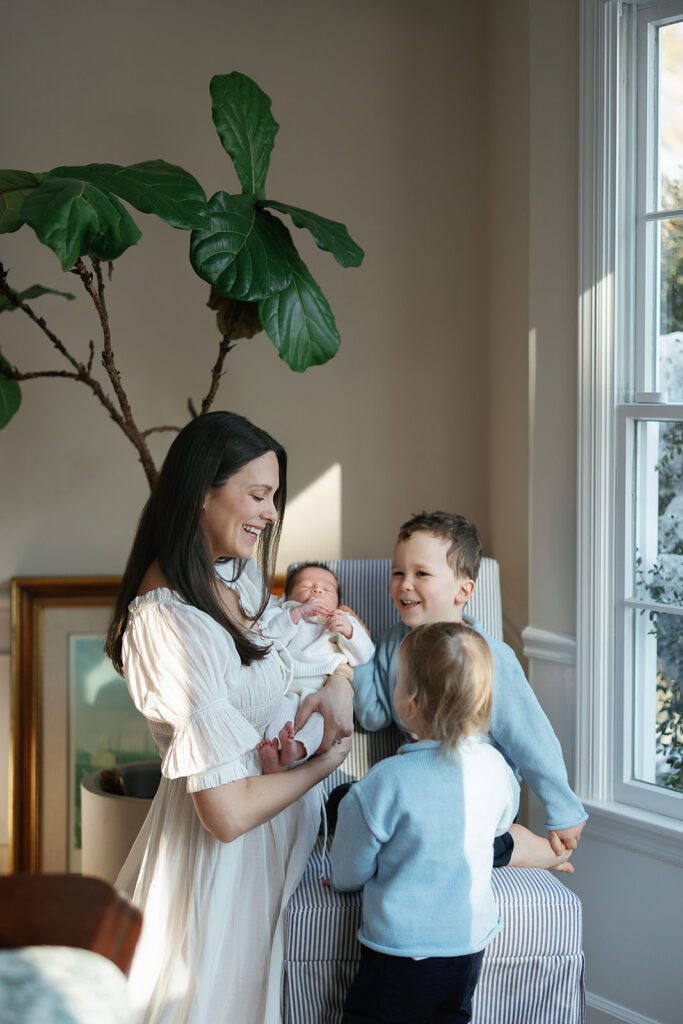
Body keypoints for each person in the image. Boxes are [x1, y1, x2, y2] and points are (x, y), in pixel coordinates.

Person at [104, 411, 353, 1024]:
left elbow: (298, 648)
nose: (271, 514)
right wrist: (326, 764)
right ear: (202, 493)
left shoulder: (229, 573)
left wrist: (341, 682)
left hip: (273, 830)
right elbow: (226, 814)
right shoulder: (166, 626)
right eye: (259, 495)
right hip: (226, 859)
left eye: (273, 498)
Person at [352, 511, 587, 868]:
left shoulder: (492, 657)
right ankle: (508, 847)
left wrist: (564, 807)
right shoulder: (388, 647)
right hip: (424, 784)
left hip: (480, 787)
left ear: (464, 590)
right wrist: (357, 651)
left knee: (434, 840)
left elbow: (531, 736)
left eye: (422, 574)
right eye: (398, 573)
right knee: (364, 818)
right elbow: (371, 716)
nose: (405, 584)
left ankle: (517, 847)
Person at [330, 622, 520, 1024]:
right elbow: (502, 824)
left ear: (410, 705)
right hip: (466, 944)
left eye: (398, 682)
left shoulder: (385, 780)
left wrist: (344, 880)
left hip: (399, 949)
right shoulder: (496, 769)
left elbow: (349, 868)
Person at [257, 563, 374, 773]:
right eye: (306, 585)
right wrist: (297, 613)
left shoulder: (342, 621)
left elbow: (364, 654)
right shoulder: (280, 613)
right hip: (285, 687)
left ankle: (296, 750)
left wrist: (349, 632)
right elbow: (267, 641)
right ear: (286, 596)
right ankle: (275, 759)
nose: (317, 590)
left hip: (320, 690)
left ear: (338, 601)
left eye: (327, 589)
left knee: (320, 722)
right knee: (277, 715)